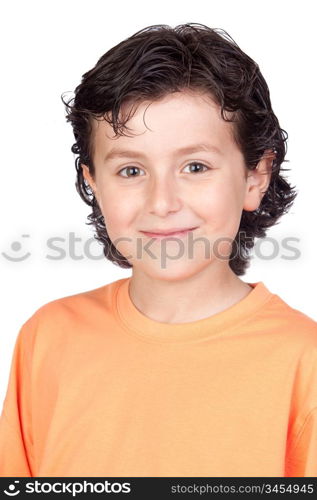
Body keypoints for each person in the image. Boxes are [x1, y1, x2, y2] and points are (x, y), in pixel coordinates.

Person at [0, 22, 316, 478]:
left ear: (254, 177)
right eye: (131, 170)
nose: (162, 202)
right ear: (93, 183)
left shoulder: (304, 363)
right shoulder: (47, 338)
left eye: (195, 166)